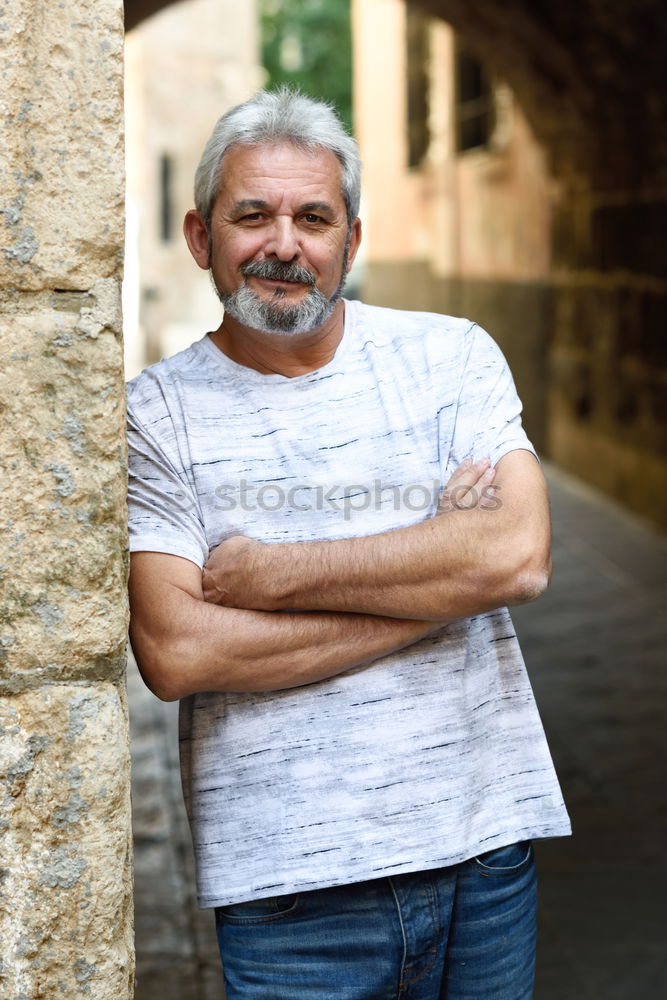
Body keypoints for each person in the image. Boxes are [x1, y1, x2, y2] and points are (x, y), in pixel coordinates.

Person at [127, 88, 570, 999]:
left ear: (351, 241)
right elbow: (177, 649)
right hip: (289, 894)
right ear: (201, 236)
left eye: (313, 217)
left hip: (482, 851)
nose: (283, 244)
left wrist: (274, 575)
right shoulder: (154, 414)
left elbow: (517, 554)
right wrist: (443, 573)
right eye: (252, 215)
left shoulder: (451, 357)